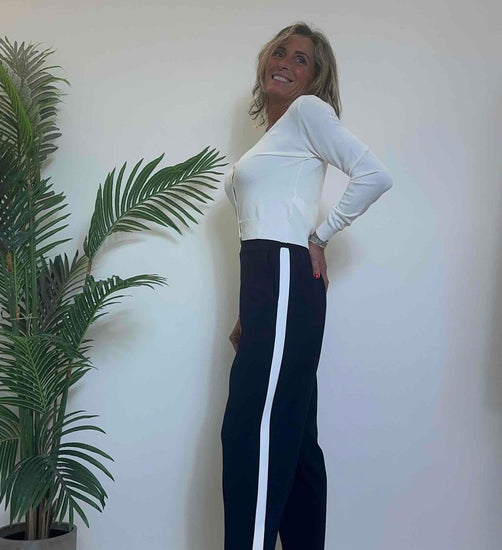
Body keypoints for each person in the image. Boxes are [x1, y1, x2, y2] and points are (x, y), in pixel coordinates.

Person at [220, 21, 393, 550]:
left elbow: (374, 175)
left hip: (284, 277)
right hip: (269, 287)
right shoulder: (275, 139)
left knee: (253, 431)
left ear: (315, 79)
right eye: (280, 52)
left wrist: (321, 235)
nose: (285, 63)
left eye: (301, 59)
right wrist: (250, 312)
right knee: (292, 441)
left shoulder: (307, 113)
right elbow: (265, 222)